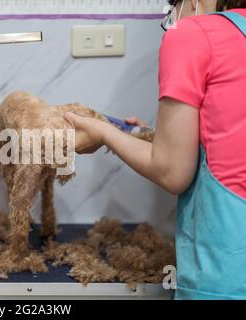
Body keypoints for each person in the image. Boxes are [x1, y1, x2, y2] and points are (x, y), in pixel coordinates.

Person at [65, 0, 246, 299]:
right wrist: (146, 135)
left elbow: (172, 171)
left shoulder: (192, 34)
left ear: (191, 2)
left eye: (171, 12)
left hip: (227, 277)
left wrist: (103, 132)